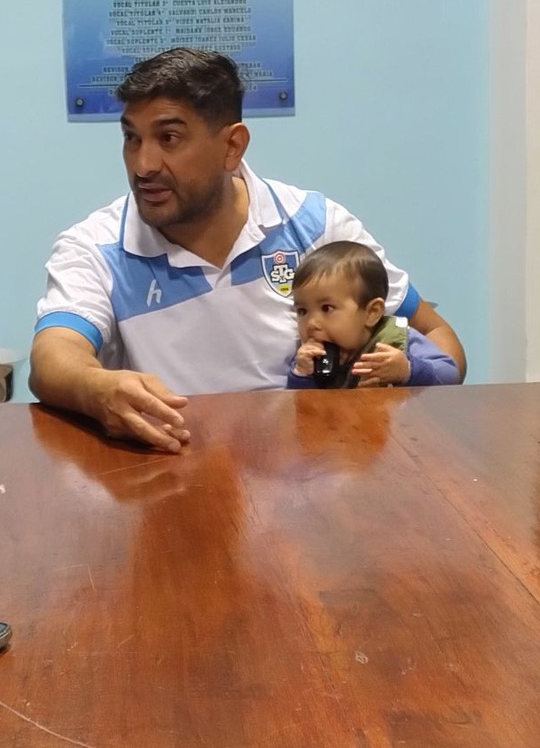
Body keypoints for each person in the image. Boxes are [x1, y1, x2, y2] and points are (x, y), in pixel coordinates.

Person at [31, 48, 466, 449]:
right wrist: (97, 390)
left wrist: (394, 388)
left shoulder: (317, 227)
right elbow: (53, 357)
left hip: (315, 474)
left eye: (169, 139)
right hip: (172, 471)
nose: (143, 165)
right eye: (132, 138)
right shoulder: (95, 246)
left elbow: (438, 339)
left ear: (232, 146)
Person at [284, 240, 460, 390]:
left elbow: (450, 374)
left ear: (372, 312)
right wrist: (301, 374)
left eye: (326, 308)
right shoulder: (309, 358)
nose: (312, 323)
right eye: (302, 311)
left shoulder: (396, 338)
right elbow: (299, 408)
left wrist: (407, 369)